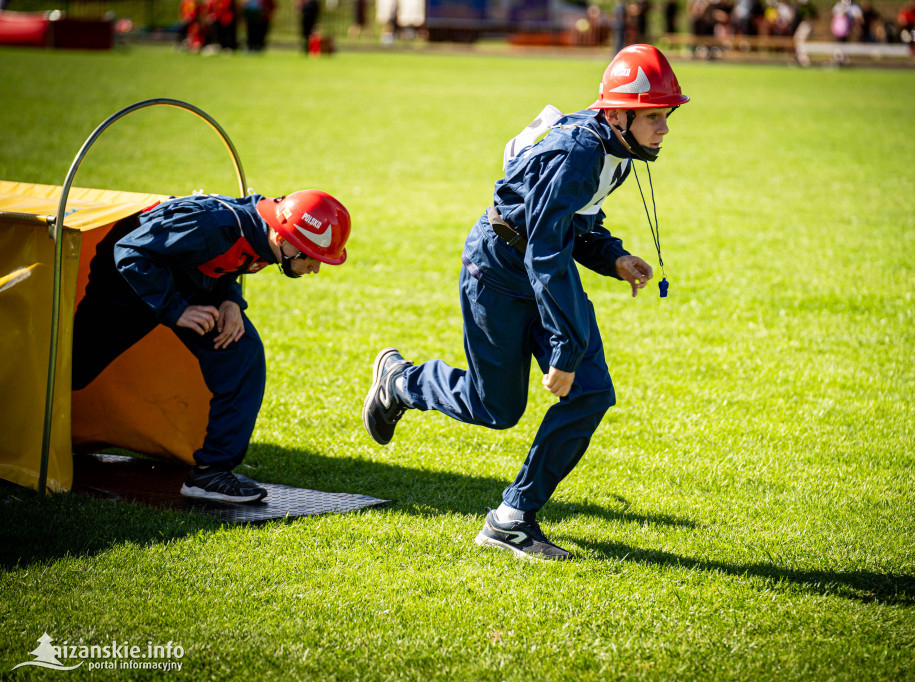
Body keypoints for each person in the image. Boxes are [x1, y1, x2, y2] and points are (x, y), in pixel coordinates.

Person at [362, 45, 689, 561]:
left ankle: (511, 519)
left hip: (538, 265)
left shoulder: (616, 151)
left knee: (591, 392)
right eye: (655, 115)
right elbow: (544, 250)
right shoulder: (579, 150)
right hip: (498, 272)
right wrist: (564, 347)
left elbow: (572, 224)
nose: (665, 128)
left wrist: (614, 257)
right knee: (497, 408)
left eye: (666, 115)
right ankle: (401, 382)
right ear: (619, 113)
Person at [72, 191, 351, 503]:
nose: (315, 268)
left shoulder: (265, 235)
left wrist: (231, 300)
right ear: (282, 237)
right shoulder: (210, 225)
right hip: (129, 280)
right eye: (311, 257)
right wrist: (175, 309)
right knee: (74, 368)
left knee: (241, 352)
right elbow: (130, 252)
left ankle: (211, 473)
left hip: (187, 278)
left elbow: (222, 259)